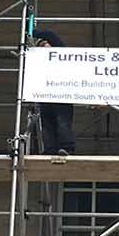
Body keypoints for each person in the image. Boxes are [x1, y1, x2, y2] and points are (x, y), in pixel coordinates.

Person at [29, 27, 77, 156]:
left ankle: (67, 148)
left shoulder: (60, 55)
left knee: (62, 122)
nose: (44, 48)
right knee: (47, 125)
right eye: (40, 46)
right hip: (45, 95)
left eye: (45, 44)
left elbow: (51, 35)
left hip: (62, 94)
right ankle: (50, 150)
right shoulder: (40, 63)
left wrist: (31, 32)